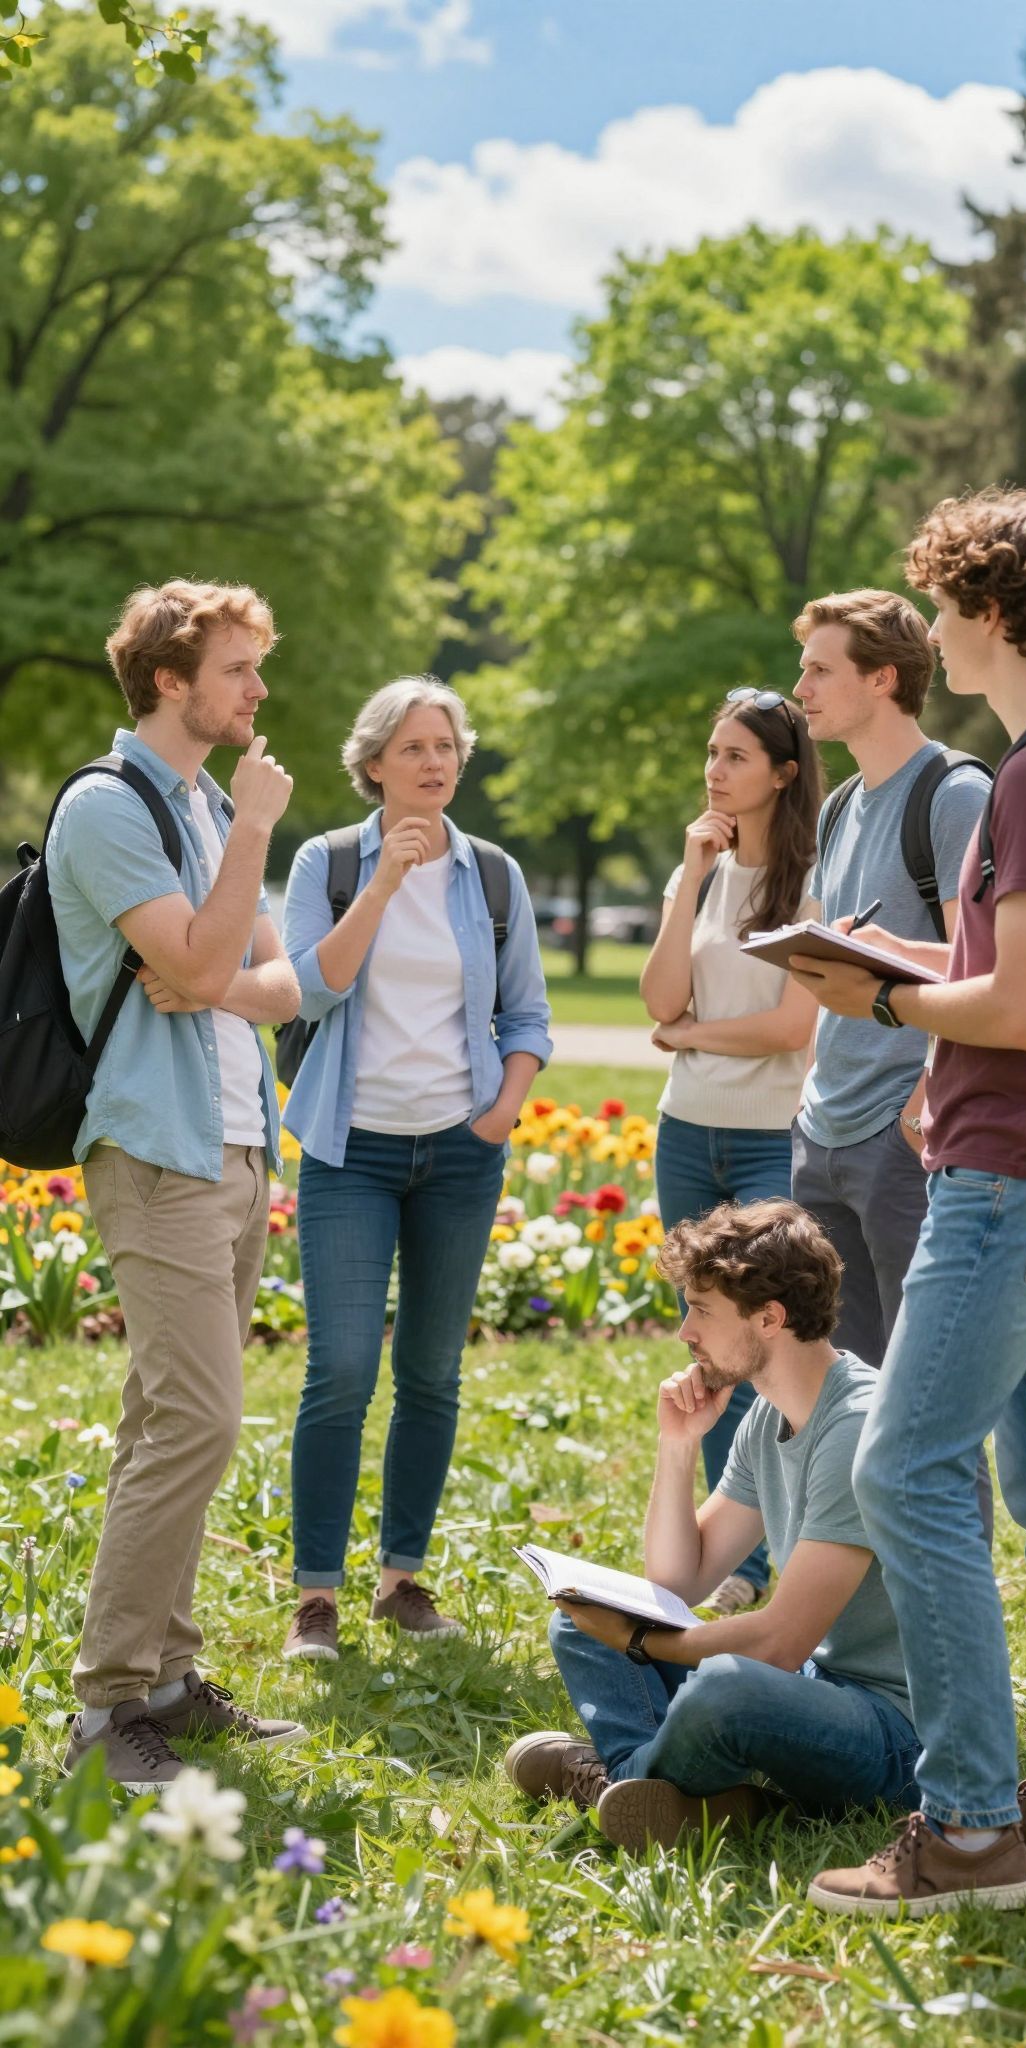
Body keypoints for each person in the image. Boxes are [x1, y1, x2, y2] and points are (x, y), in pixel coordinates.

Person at [791, 489, 1026, 1915]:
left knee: (904, 1469)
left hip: (1017, 1179)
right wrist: (917, 963)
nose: (933, 630)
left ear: (992, 613)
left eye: (942, 605)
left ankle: (968, 1828)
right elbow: (1022, 975)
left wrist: (877, 990)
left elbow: (1021, 1003)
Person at [53, 579, 305, 1795]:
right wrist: (251, 839)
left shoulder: (204, 804)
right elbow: (211, 955)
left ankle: (163, 1677)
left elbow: (272, 981)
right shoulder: (111, 810)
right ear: (170, 678)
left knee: (171, 1420)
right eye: (239, 669)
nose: (259, 691)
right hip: (155, 1147)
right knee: (198, 1420)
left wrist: (218, 975)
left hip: (235, 1141)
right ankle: (107, 1713)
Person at [504, 1200, 918, 1853]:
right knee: (579, 1619)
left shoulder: (857, 1425)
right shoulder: (768, 1416)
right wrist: (678, 1445)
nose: (684, 1333)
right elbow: (678, 1578)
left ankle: (619, 1784)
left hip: (892, 1735)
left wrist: (642, 1640)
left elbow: (780, 1643)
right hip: (808, 1688)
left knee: (727, 1688)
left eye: (701, 1309)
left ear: (770, 1318)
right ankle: (708, 1802)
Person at [279, 676, 552, 1659]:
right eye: (414, 747)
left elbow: (526, 1011)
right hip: (350, 1153)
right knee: (341, 1368)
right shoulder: (330, 862)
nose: (436, 762)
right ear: (374, 765)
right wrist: (387, 882)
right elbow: (310, 986)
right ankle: (316, 1593)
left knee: (431, 1370)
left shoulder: (492, 874)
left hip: (459, 1152)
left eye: (447, 745)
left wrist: (503, 1109)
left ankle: (402, 1576)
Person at [640, 689, 822, 1616]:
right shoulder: (701, 872)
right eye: (712, 752)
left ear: (784, 773)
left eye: (737, 756)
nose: (715, 770)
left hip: (770, 1133)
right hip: (688, 1131)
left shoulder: (812, 879)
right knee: (712, 1345)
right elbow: (660, 997)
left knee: (768, 1345)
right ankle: (731, 1562)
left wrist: (692, 1036)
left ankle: (785, 1542)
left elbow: (794, 1027)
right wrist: (691, 877)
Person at [789, 591, 990, 1368]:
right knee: (843, 1392)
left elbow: (988, 968)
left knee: (927, 1396)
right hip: (825, 1133)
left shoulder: (956, 796)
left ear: (881, 679)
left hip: (905, 1138)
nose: (800, 688)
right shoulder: (838, 807)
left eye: (819, 670)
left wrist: (919, 1108)